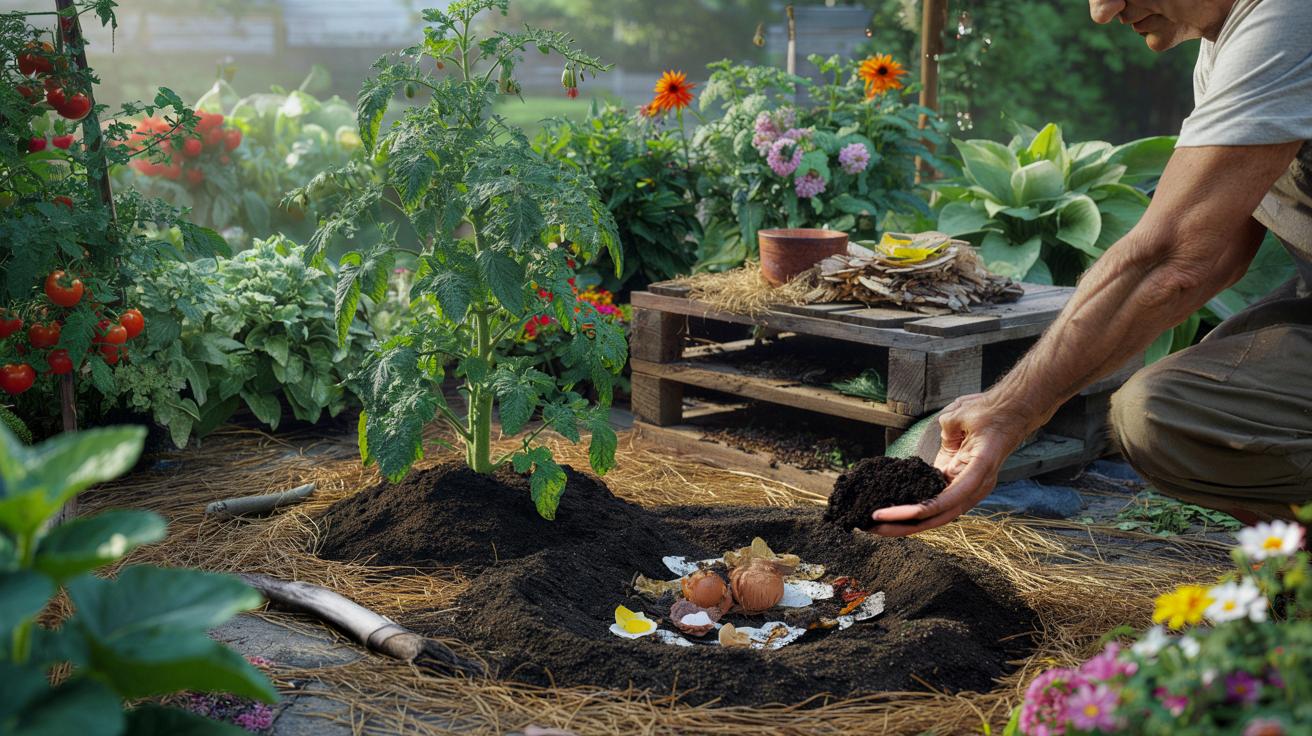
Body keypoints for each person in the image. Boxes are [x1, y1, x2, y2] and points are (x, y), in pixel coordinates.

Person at [870, 0, 1312, 536]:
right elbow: (1217, 250)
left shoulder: (1291, 16)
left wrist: (1010, 409)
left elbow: (1173, 257)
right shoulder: (1221, 47)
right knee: (1163, 414)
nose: (1103, 11)